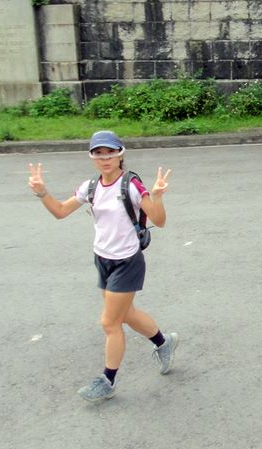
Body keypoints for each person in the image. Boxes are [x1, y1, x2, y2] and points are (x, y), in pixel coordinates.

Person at [27, 130, 178, 403]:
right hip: (103, 259)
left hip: (127, 261)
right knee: (127, 314)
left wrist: (157, 196)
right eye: (99, 153)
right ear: (92, 157)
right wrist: (42, 193)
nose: (105, 158)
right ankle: (164, 343)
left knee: (110, 322)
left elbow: (159, 220)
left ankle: (108, 380)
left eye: (110, 153)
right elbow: (60, 211)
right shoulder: (91, 187)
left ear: (120, 155)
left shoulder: (131, 185)